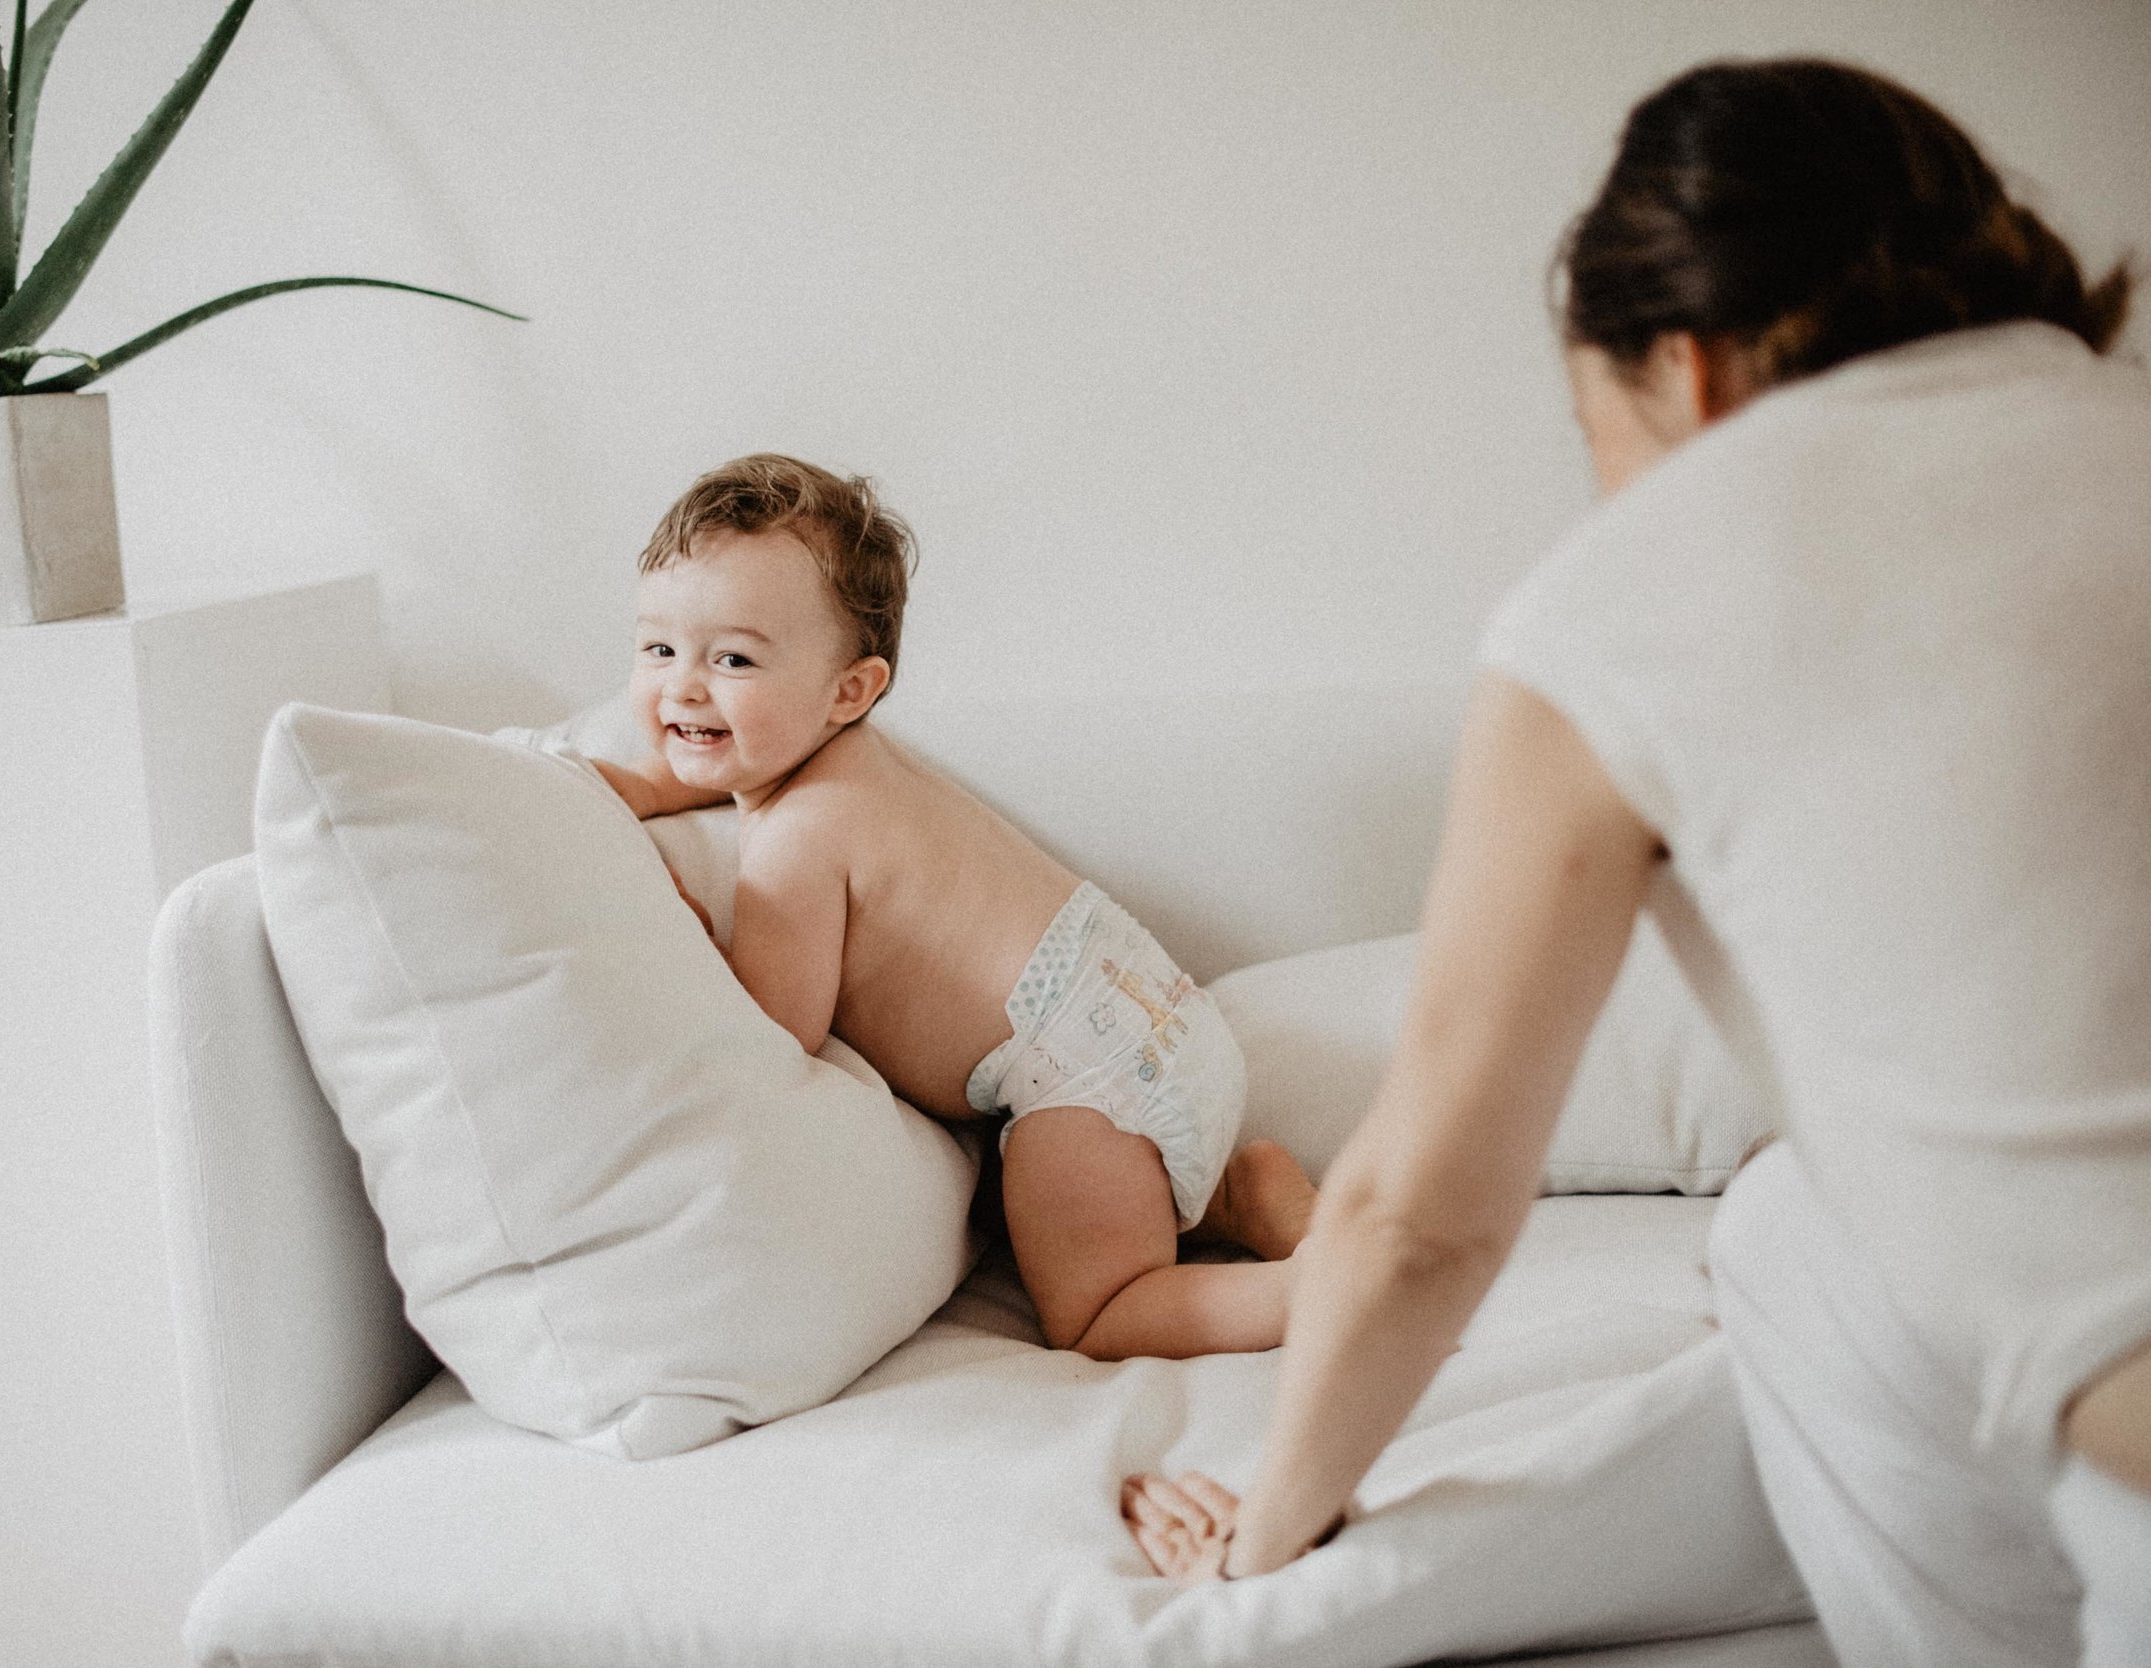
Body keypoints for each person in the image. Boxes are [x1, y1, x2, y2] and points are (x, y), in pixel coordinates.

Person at [1120, 57, 2151, 1667]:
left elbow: (1420, 1221)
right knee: (1792, 1228)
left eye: (1594, 426)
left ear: (1690, 366)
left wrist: (1275, 1517)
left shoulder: (1643, 583)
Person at [596, 453, 1323, 1360]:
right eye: (659, 648)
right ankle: (1246, 1196)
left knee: (1099, 1311)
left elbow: (776, 1024)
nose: (684, 688)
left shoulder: (798, 838)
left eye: (732, 658)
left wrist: (682, 924)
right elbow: (717, 753)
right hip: (1149, 1014)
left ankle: (1319, 1298)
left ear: (848, 691)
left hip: (1081, 1083)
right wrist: (646, 785)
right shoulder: (851, 760)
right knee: (1130, 1212)